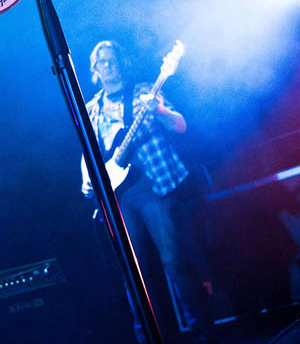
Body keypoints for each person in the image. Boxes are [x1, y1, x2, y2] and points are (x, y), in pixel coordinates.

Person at [80, 40, 216, 344]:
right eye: (102, 61)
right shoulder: (91, 108)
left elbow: (180, 125)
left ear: (120, 63)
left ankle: (203, 335)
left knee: (175, 262)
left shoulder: (143, 91)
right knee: (136, 274)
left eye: (113, 59)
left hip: (154, 188)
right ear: (95, 70)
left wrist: (161, 111)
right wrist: (86, 179)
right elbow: (87, 154)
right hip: (120, 199)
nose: (109, 65)